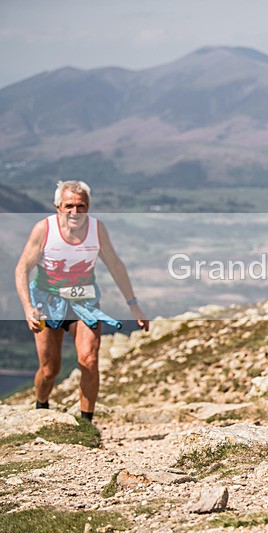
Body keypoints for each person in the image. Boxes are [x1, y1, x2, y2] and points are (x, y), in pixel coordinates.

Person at [15, 180, 149, 422]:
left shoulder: (97, 230)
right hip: (47, 302)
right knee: (49, 370)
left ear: (88, 206)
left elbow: (116, 266)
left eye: (81, 206)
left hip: (83, 302)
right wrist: (28, 308)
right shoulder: (44, 230)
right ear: (58, 206)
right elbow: (22, 269)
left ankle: (86, 424)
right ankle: (41, 406)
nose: (75, 212)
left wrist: (134, 305)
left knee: (89, 359)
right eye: (69, 206)